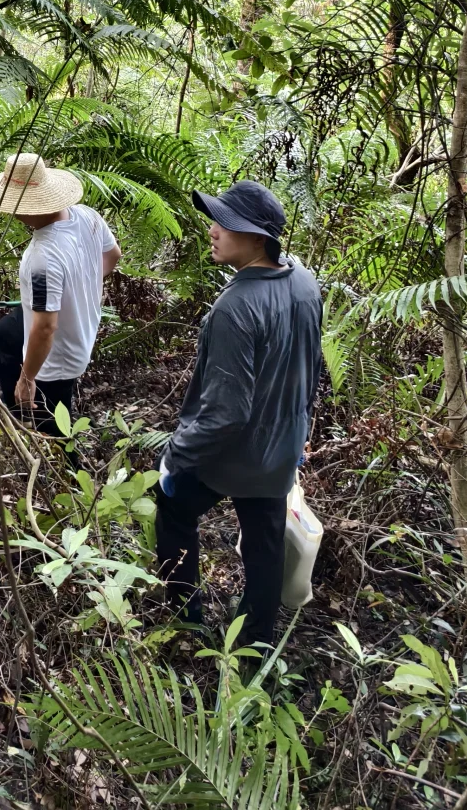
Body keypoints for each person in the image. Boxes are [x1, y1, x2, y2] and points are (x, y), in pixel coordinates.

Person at [157, 180, 322, 647]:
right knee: (265, 543)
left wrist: (174, 456)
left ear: (255, 239)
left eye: (224, 223)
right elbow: (311, 368)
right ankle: (256, 643)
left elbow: (226, 415)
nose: (212, 230)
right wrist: (299, 435)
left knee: (174, 508)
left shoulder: (236, 307)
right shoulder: (305, 282)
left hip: (233, 455)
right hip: (279, 451)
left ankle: (187, 623)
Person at [0, 152, 120, 436]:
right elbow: (113, 255)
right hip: (77, 327)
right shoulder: (88, 216)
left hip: (58, 357)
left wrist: (27, 378)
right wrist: (80, 290)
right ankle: (17, 412)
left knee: (56, 431)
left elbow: (46, 328)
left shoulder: (41, 258)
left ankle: (60, 465)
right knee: (5, 332)